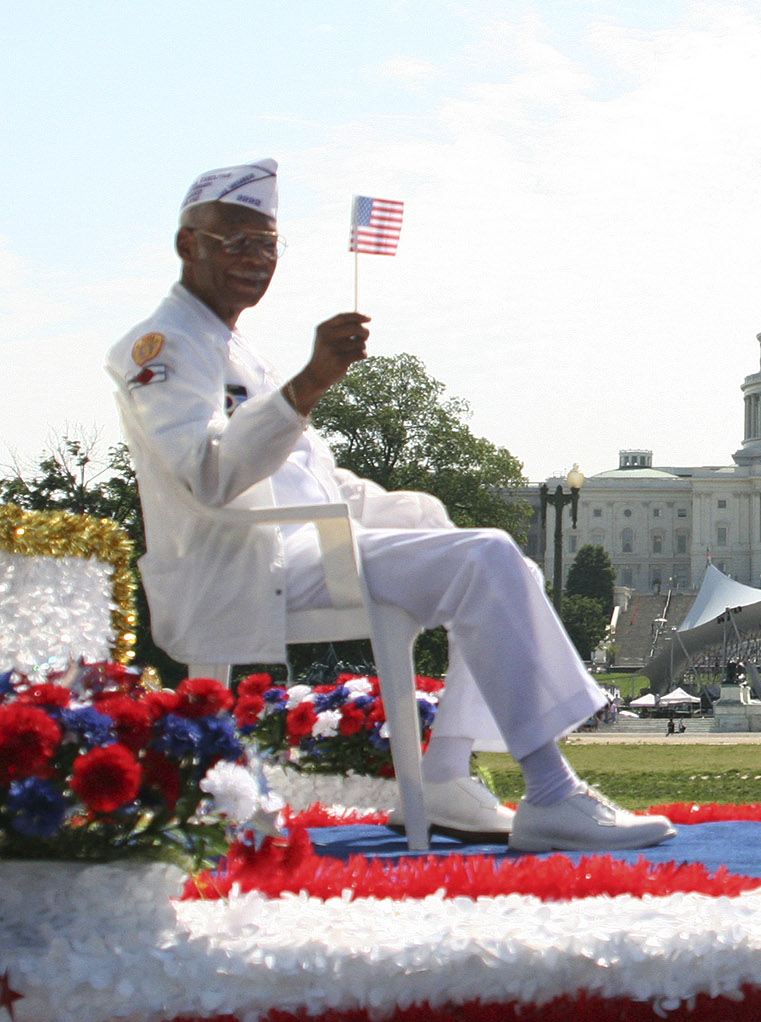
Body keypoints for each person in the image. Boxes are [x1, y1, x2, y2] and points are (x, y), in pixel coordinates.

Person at [108, 159, 672, 853]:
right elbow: (208, 476)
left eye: (268, 245)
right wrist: (310, 382)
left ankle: (442, 775)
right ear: (187, 245)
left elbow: (312, 482)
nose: (256, 261)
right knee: (486, 555)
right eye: (236, 242)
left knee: (502, 561)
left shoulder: (234, 350)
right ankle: (550, 790)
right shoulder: (160, 348)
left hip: (295, 545)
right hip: (243, 561)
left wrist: (413, 511)